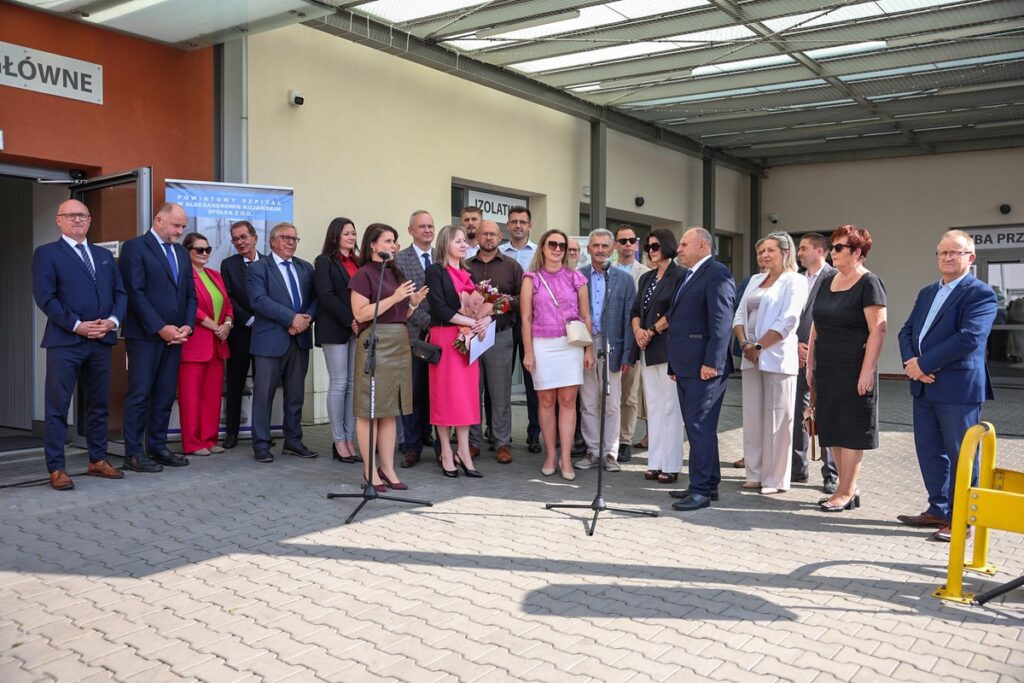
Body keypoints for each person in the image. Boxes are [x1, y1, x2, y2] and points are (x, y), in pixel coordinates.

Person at [897, 230, 997, 542]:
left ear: (971, 257)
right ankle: (938, 509)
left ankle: (962, 518)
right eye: (943, 253)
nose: (948, 257)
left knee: (962, 455)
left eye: (956, 252)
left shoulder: (980, 293)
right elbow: (907, 330)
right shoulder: (928, 291)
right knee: (928, 451)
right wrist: (911, 363)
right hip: (923, 386)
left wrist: (923, 364)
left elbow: (969, 337)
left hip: (957, 388)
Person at [32, 199, 127, 490]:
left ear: (90, 220)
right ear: (58, 220)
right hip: (66, 341)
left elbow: (120, 293)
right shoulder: (47, 254)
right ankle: (57, 467)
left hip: (100, 340)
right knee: (58, 406)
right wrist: (77, 325)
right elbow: (46, 297)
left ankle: (97, 459)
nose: (78, 220)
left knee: (98, 404)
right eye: (71, 215)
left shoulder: (102, 255)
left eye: (83, 215)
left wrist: (111, 321)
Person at [807, 225, 887, 513]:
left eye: (839, 248)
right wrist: (810, 363)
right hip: (827, 367)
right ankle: (845, 487)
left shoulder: (869, 283)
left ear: (858, 253)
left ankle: (846, 490)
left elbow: (878, 330)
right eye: (833, 246)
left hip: (854, 367)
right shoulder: (828, 281)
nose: (833, 252)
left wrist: (867, 372)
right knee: (833, 427)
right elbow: (817, 324)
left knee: (852, 429)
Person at [349, 224, 429, 491]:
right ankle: (369, 471)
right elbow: (361, 314)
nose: (393, 245)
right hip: (375, 343)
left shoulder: (396, 272)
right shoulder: (363, 275)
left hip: (398, 342)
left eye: (395, 241)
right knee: (369, 411)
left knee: (390, 411)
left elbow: (400, 314)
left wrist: (412, 302)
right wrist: (395, 297)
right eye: (387, 240)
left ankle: (388, 469)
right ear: (373, 244)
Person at [119, 202, 197, 473]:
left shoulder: (180, 253)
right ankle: (133, 452)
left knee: (164, 394)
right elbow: (135, 293)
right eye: (176, 225)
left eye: (183, 226)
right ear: (158, 220)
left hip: (176, 336)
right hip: (145, 336)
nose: (180, 230)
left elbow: (189, 294)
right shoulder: (135, 247)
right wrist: (160, 327)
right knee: (140, 394)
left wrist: (187, 325)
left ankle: (158, 446)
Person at [733, 232, 808, 495]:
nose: (763, 255)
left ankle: (775, 479)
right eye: (760, 251)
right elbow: (740, 314)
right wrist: (745, 344)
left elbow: (788, 320)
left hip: (776, 356)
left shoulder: (795, 281)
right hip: (749, 355)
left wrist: (760, 346)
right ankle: (754, 472)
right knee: (753, 416)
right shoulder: (755, 279)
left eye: (770, 250)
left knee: (778, 418)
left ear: (785, 253)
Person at [666, 227, 735, 511]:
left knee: (700, 428)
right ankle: (710, 483)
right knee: (699, 428)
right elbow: (680, 324)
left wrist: (712, 363)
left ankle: (701, 490)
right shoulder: (690, 274)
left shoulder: (717, 273)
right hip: (685, 366)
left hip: (703, 368)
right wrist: (674, 364)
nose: (679, 249)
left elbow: (721, 322)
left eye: (684, 244)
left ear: (703, 246)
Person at [521, 229, 595, 480]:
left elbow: (586, 317)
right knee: (545, 402)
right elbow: (526, 318)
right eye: (552, 244)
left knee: (567, 401)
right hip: (542, 345)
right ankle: (550, 454)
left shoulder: (576, 278)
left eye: (562, 246)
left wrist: (589, 349)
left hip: (570, 345)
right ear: (542, 247)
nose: (557, 249)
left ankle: (565, 458)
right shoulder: (530, 279)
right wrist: (528, 352)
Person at [247, 222, 318, 464]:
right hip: (270, 341)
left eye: (295, 239)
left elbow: (315, 299)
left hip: (299, 339)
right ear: (272, 241)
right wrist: (291, 318)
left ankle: (293, 441)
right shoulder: (258, 268)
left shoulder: (305, 267)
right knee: (264, 395)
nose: (290, 242)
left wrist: (306, 317)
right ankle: (262, 444)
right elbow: (259, 300)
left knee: (295, 394)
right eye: (286, 238)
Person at [425, 225, 491, 478]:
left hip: (468, 339)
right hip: (445, 338)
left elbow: (480, 307)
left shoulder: (468, 272)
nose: (464, 245)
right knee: (444, 398)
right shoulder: (435, 271)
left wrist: (484, 320)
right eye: (458, 241)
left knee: (465, 399)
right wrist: (470, 322)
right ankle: (445, 451)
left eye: (465, 241)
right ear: (445, 244)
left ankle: (463, 451)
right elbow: (438, 307)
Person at [575, 229, 636, 473]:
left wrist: (627, 354)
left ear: (612, 250)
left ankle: (610, 453)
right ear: (588, 249)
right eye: (595, 246)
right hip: (585, 345)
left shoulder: (623, 279)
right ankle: (592, 450)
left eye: (605, 246)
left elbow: (630, 320)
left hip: (614, 346)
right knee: (588, 401)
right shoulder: (578, 277)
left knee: (612, 403)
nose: (600, 250)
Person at [629, 229, 685, 485]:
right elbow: (636, 309)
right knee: (654, 407)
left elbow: (676, 312)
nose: (651, 251)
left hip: (668, 347)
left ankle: (672, 465)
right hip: (647, 348)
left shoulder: (680, 275)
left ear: (667, 247)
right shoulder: (647, 278)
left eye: (655, 246)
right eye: (648, 247)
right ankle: (655, 462)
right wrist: (639, 331)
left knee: (671, 408)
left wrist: (650, 331)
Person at [467, 220, 523, 465]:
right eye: (484, 234)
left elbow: (526, 298)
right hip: (470, 335)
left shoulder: (512, 266)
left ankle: (502, 442)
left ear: (500, 237)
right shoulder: (465, 265)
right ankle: (473, 442)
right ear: (477, 237)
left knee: (500, 392)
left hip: (500, 334)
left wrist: (504, 301)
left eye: (492, 234)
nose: (488, 238)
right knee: (471, 391)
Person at [178, 232, 233, 456]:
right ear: (187, 252)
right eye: (199, 250)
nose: (204, 254)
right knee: (190, 396)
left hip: (218, 343)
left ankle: (209, 439)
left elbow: (228, 303)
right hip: (195, 343)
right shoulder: (183, 276)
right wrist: (214, 326)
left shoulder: (215, 275)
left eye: (207, 249)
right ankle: (192, 442)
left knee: (212, 396)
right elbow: (190, 307)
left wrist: (228, 323)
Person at [793, 233, 838, 491]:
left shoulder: (834, 278)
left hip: (822, 355)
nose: (799, 253)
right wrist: (795, 346)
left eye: (803, 248)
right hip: (796, 355)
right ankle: (798, 469)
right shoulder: (797, 280)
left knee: (825, 414)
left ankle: (830, 473)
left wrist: (813, 349)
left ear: (820, 251)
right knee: (799, 411)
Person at [314, 217, 361, 464]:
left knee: (353, 384)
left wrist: (359, 320)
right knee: (339, 382)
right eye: (346, 234)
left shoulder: (358, 262)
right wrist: (350, 319)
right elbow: (327, 296)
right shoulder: (324, 262)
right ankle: (338, 440)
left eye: (353, 233)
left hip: (357, 327)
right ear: (335, 236)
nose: (351, 237)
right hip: (335, 327)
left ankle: (349, 438)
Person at [393, 210, 436, 468]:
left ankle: (427, 435)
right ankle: (412, 446)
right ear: (411, 230)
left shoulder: (442, 256)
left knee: (435, 393)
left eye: (430, 226)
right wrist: (429, 323)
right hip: (412, 336)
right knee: (412, 394)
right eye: (422, 226)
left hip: (441, 338)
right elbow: (403, 300)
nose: (427, 230)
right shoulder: (400, 260)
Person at [500, 206, 541, 453]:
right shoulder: (500, 252)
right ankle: (496, 431)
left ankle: (534, 432)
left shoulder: (539, 254)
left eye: (522, 222)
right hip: (503, 322)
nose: (518, 226)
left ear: (530, 225)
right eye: (514, 221)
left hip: (531, 323)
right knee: (500, 380)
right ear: (508, 225)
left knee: (532, 381)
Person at [220, 220, 264, 450]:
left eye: (243, 237)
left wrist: (263, 321)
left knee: (263, 385)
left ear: (254, 237)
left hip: (266, 333)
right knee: (235, 385)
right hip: (240, 333)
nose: (240, 242)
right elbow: (228, 298)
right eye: (235, 239)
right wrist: (249, 319)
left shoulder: (269, 262)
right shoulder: (228, 265)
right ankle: (232, 433)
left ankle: (261, 433)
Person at [613, 225, 650, 463]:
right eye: (623, 240)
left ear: (636, 245)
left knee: (629, 394)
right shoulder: (606, 270)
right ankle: (606, 440)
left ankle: (625, 440)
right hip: (609, 340)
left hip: (633, 341)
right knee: (606, 394)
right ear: (615, 244)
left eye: (631, 241)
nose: (627, 244)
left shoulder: (646, 273)